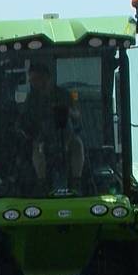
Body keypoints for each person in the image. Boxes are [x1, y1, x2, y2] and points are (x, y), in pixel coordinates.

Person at [25, 61, 84, 193]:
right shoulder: (32, 99)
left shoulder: (63, 94)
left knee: (78, 145)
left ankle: (76, 182)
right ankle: (42, 183)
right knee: (37, 149)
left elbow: (77, 115)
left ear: (46, 77)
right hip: (43, 138)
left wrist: (67, 110)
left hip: (66, 135)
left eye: (36, 79)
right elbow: (25, 119)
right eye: (31, 80)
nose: (33, 83)